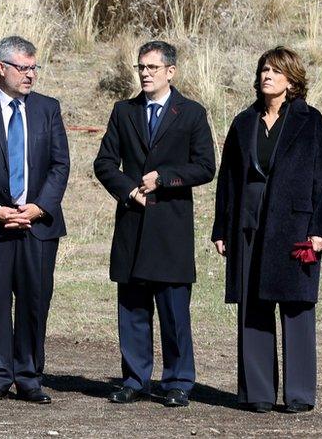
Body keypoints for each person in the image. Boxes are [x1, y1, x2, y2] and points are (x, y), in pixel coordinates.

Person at [211, 46, 322, 413]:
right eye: (264, 69)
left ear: (292, 80)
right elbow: (228, 180)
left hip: (295, 225)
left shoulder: (310, 121)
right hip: (249, 223)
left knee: (297, 308)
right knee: (252, 306)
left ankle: (299, 395)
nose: (267, 75)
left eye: (276, 71)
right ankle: (257, 393)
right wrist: (222, 227)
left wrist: (321, 229)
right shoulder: (243, 122)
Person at [93, 40, 216, 408]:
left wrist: (164, 177)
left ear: (170, 72)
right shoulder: (123, 111)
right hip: (132, 225)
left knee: (174, 312)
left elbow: (206, 167)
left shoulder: (191, 113)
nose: (145, 74)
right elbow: (103, 163)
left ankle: (178, 381)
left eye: (152, 68)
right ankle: (134, 379)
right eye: (140, 68)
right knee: (132, 310)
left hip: (170, 229)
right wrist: (130, 190)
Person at [0, 36, 70, 404]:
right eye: (23, 67)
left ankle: (30, 377)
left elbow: (59, 165)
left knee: (36, 301)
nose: (30, 75)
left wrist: (39, 206)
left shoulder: (48, 109)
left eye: (34, 67)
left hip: (38, 224)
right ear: (1, 68)